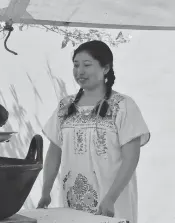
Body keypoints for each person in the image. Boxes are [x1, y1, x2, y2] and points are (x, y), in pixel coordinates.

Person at [37, 40, 150, 223]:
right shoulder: (65, 106)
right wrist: (45, 191)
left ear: (105, 68)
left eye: (87, 65)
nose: (80, 71)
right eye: (76, 65)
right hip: (71, 202)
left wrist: (111, 198)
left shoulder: (123, 105)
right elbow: (54, 151)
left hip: (111, 204)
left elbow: (131, 158)